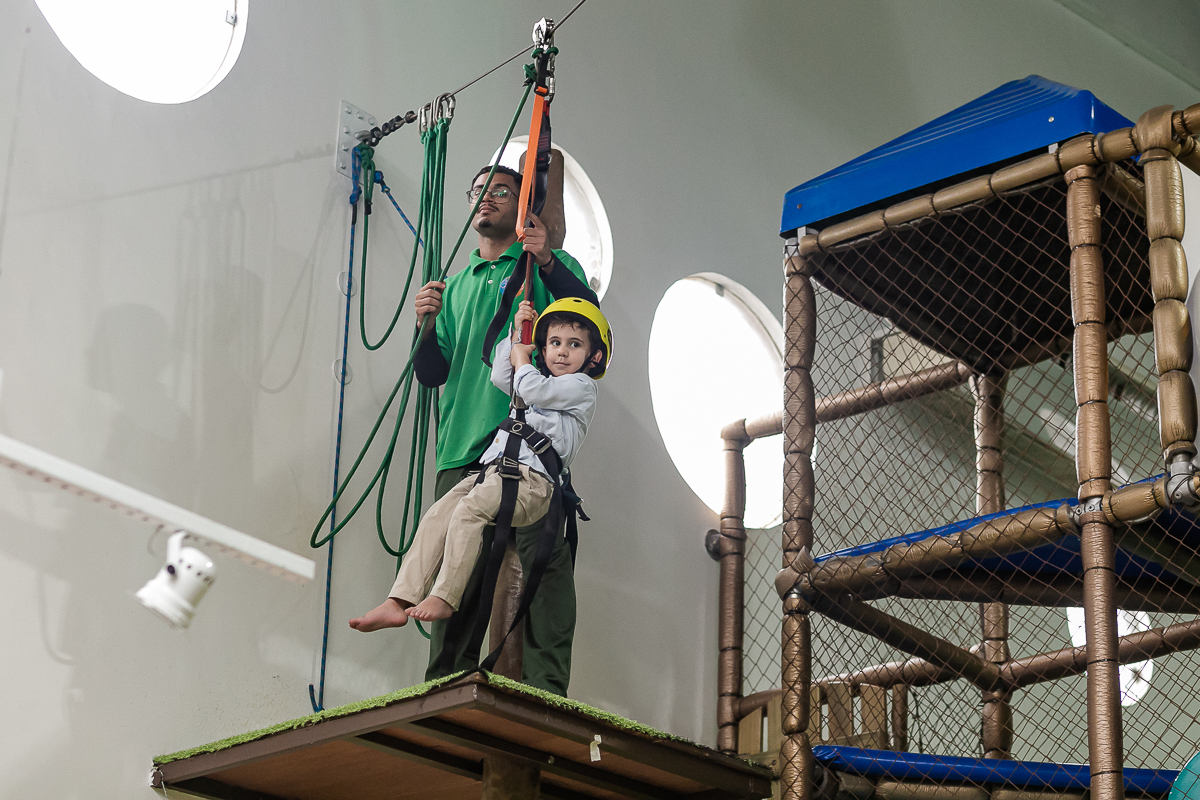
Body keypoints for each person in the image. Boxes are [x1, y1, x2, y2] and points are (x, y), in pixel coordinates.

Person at [348, 164, 597, 697]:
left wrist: (544, 258)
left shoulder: (545, 267)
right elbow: (432, 373)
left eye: (501, 190)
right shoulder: (455, 286)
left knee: (544, 566)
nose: (486, 197)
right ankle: (444, 686)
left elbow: (586, 313)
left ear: (522, 206)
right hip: (463, 440)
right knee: (456, 554)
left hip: (527, 445)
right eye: (479, 190)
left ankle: (548, 692)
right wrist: (425, 325)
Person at [349, 297, 608, 630]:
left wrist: (521, 358)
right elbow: (501, 376)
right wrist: (515, 334)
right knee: (439, 514)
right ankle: (398, 600)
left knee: (470, 511)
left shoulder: (581, 388)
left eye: (574, 345)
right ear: (543, 349)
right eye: (555, 343)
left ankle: (445, 595)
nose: (561, 352)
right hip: (497, 473)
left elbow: (532, 388)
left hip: (532, 484)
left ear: (594, 357)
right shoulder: (536, 379)